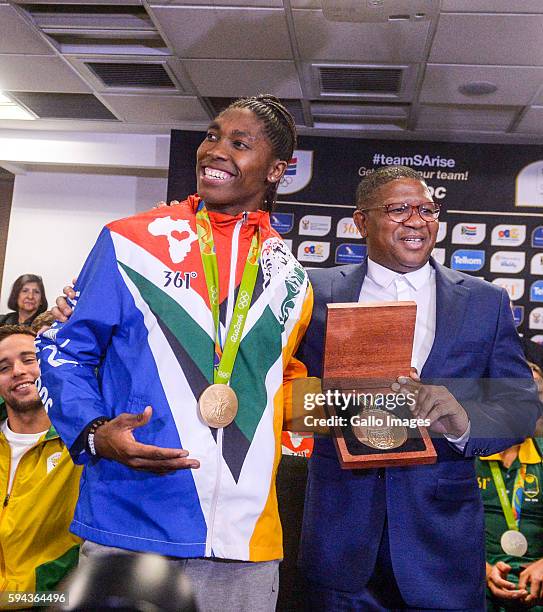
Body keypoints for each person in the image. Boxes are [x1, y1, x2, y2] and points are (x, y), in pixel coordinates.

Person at [37, 95, 312, 612]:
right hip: (131, 520)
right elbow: (62, 350)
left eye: (239, 143)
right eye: (211, 136)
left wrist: (381, 403)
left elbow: (283, 387)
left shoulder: (291, 278)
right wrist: (95, 433)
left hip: (246, 541)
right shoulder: (130, 241)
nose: (216, 151)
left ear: (276, 170)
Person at [297, 165, 540, 611]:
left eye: (427, 209)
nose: (416, 220)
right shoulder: (314, 292)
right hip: (341, 541)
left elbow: (521, 407)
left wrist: (463, 418)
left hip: (440, 545)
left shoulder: (485, 300)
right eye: (398, 209)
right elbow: (285, 389)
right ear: (361, 221)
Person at [0, 325, 81, 603]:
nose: (18, 371)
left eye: (29, 359)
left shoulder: (82, 443)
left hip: (51, 602)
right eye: (3, 367)